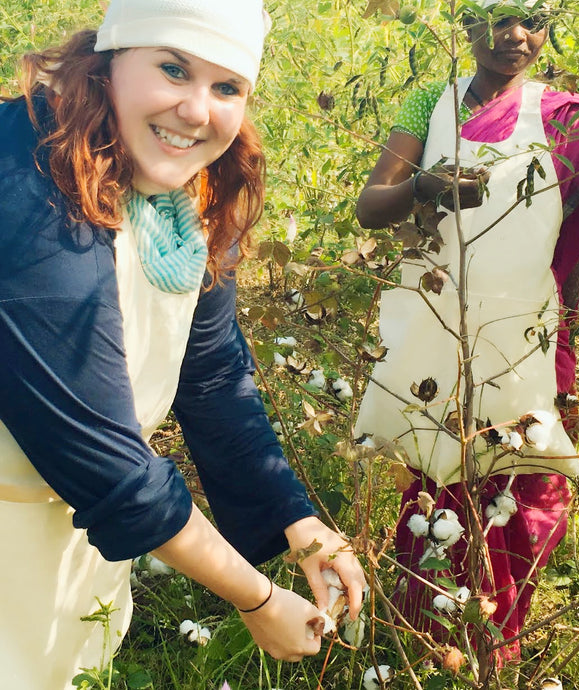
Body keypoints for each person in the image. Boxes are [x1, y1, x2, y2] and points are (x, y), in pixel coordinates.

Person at [0, 0, 366, 686]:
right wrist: (255, 598)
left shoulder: (174, 200)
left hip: (69, 540)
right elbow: (104, 462)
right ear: (110, 60)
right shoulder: (24, 184)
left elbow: (211, 377)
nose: (198, 111)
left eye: (227, 87)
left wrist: (298, 522)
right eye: (173, 68)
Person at [354, 0, 579, 666]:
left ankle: (491, 647)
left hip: (530, 335)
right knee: (441, 479)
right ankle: (430, 644)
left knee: (527, 488)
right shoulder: (430, 104)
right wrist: (425, 187)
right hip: (439, 331)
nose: (516, 35)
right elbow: (370, 206)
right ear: (468, 24)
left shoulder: (564, 118)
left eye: (532, 20)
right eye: (499, 18)